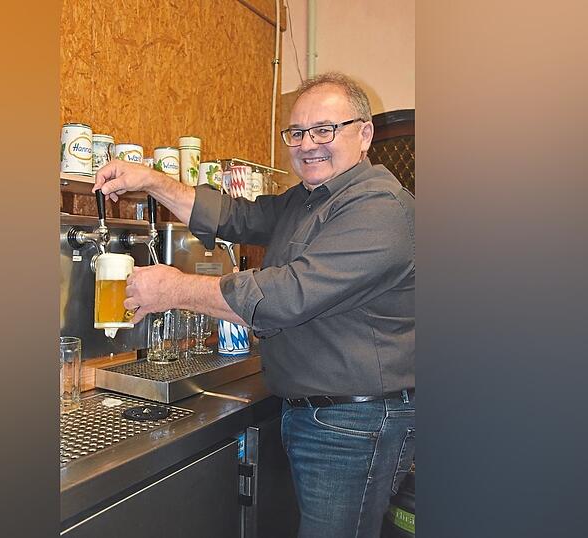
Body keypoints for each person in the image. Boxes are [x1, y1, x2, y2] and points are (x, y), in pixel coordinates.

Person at [93, 72, 414, 538]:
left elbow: (283, 296)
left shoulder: (379, 210)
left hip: (356, 422)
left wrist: (175, 289)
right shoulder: (310, 200)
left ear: (363, 134)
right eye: (297, 133)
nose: (308, 144)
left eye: (325, 129)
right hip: (322, 413)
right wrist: (152, 181)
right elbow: (236, 217)